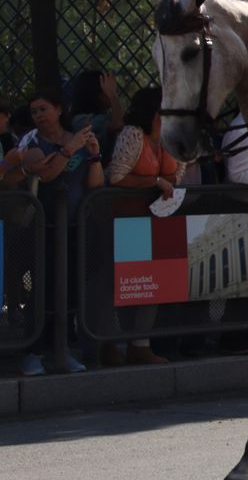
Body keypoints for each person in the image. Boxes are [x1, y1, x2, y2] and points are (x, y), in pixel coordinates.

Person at [18, 87, 103, 374]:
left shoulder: (77, 140)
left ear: (59, 110)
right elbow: (46, 173)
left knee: (69, 290)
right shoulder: (33, 143)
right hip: (43, 229)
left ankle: (62, 350)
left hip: (75, 228)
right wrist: (69, 150)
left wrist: (93, 155)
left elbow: (96, 184)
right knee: (41, 291)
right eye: (34, 112)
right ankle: (33, 351)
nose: (39, 116)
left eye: (43, 109)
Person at [102, 86, 186, 366]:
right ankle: (109, 343)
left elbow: (179, 172)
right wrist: (154, 182)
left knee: (152, 282)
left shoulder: (168, 136)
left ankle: (141, 344)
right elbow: (115, 176)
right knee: (121, 282)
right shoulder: (132, 134)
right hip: (124, 221)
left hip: (156, 221)